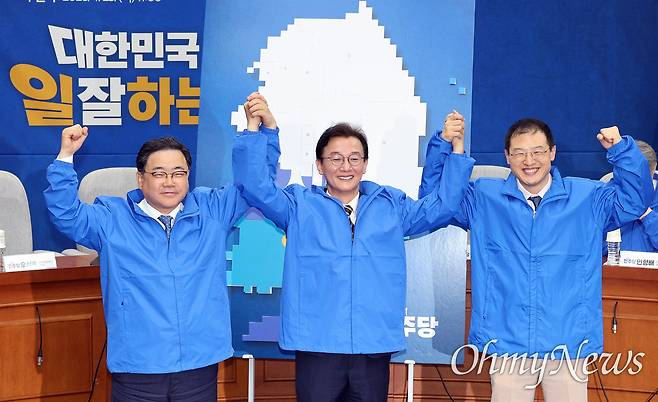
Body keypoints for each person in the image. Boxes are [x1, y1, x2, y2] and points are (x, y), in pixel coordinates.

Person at [232, 92, 474, 401]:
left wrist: (451, 148)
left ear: (365, 164)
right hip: (317, 345)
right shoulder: (298, 205)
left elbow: (442, 206)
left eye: (354, 158)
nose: (345, 166)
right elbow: (256, 186)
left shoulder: (391, 205)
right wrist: (262, 129)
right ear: (320, 165)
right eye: (335, 158)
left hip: (371, 346)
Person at [419, 117, 652, 402]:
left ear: (552, 152)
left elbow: (636, 202)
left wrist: (621, 150)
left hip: (568, 343)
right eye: (519, 153)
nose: (529, 161)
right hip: (508, 341)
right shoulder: (483, 197)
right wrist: (446, 145)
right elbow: (435, 201)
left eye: (538, 151)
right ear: (507, 157)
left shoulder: (588, 198)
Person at [44, 124, 276, 401]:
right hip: (138, 367)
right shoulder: (112, 218)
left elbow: (257, 186)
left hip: (198, 364)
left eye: (178, 173)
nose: (169, 181)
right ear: (140, 179)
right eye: (159, 173)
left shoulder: (212, 210)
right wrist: (65, 157)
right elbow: (66, 214)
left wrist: (261, 133)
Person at [604, 140, 658, 252]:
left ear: (653, 168)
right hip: (615, 262)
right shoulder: (605, 194)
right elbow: (592, 242)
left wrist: (647, 215)